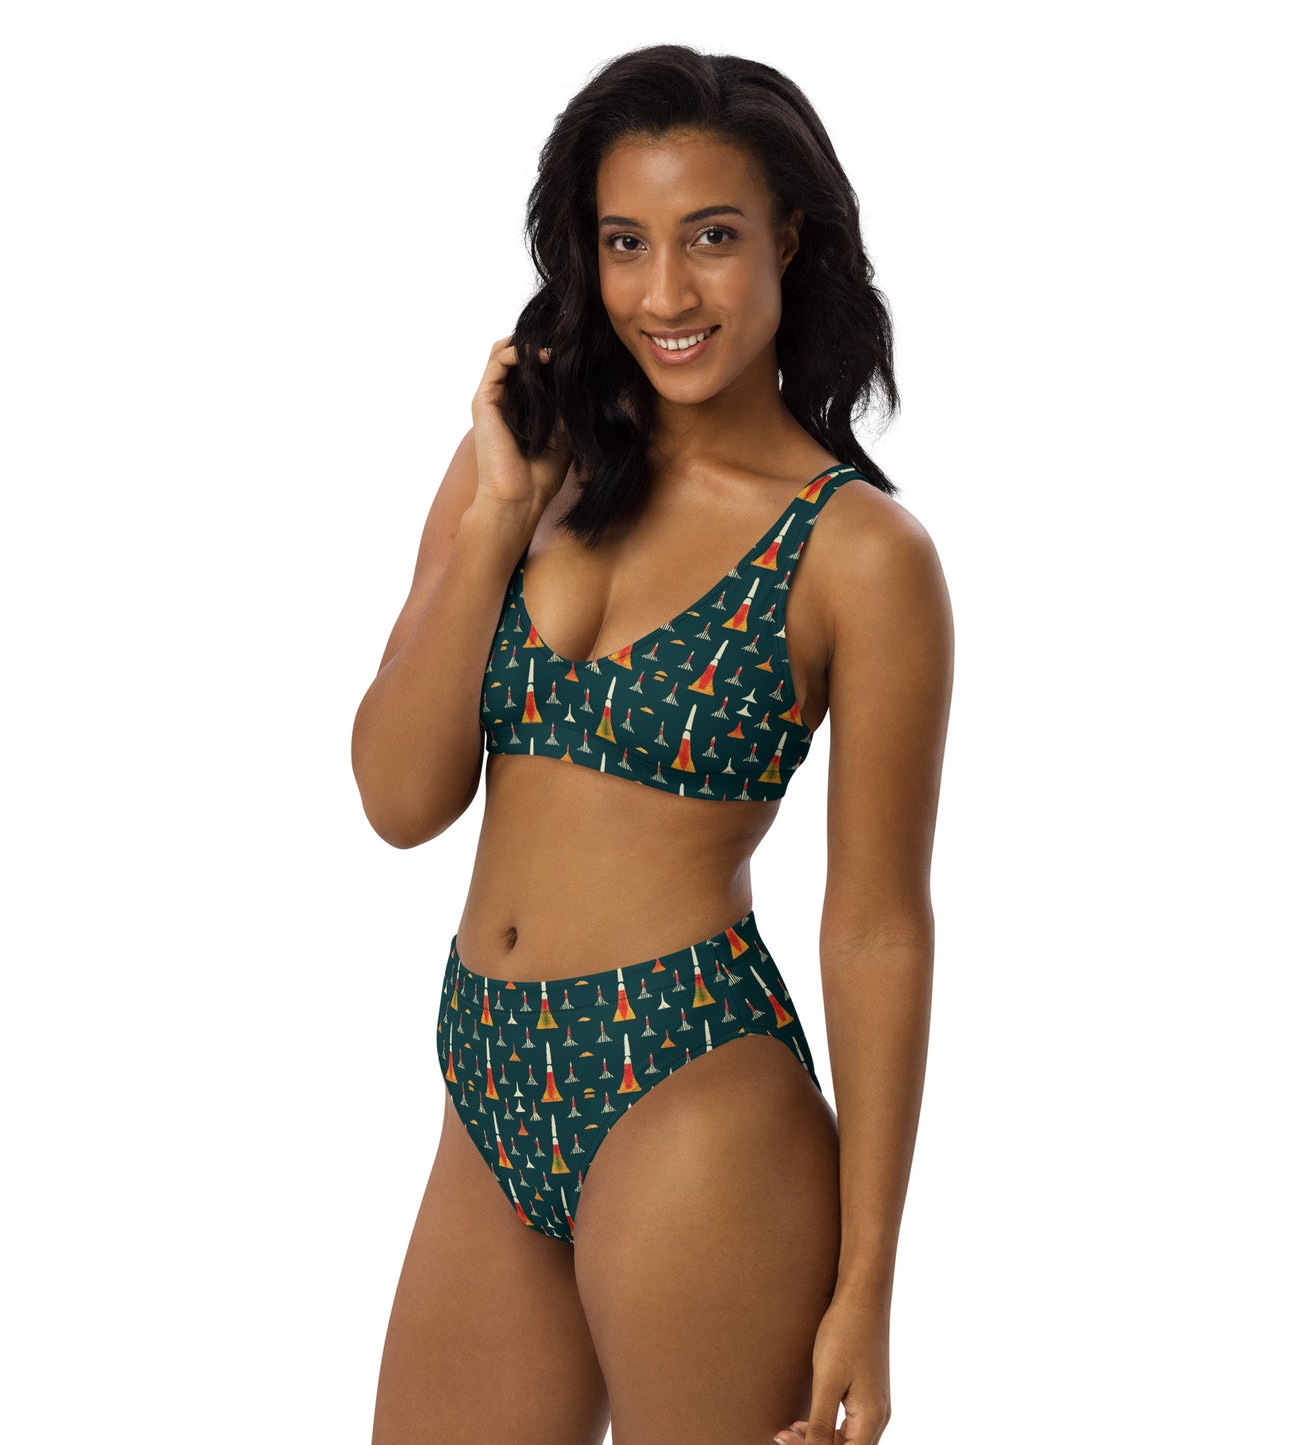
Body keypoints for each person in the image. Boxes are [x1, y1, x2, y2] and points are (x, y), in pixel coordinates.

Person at [351, 43, 952, 1445]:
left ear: (788, 240)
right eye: (627, 243)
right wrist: (498, 517)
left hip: (690, 1086)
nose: (666, 294)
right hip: (485, 1073)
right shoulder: (529, 458)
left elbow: (876, 926)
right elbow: (397, 796)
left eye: (711, 238)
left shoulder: (859, 553)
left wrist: (867, 1284)